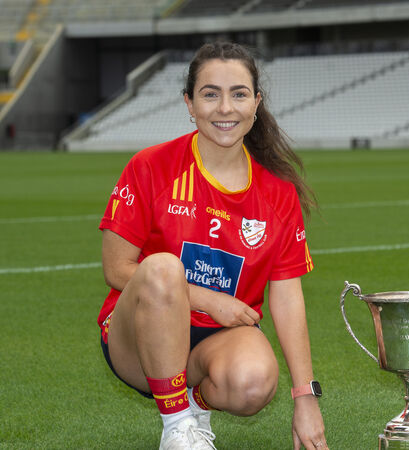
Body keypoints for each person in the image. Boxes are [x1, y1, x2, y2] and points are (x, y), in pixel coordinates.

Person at [97, 42, 329, 450]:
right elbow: (117, 268)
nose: (225, 107)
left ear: (256, 103)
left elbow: (288, 297)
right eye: (210, 94)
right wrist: (208, 299)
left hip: (215, 342)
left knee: (253, 382)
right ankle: (177, 429)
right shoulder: (150, 167)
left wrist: (304, 396)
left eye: (239, 94)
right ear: (189, 102)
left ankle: (193, 404)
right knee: (164, 268)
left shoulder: (278, 194)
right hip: (137, 338)